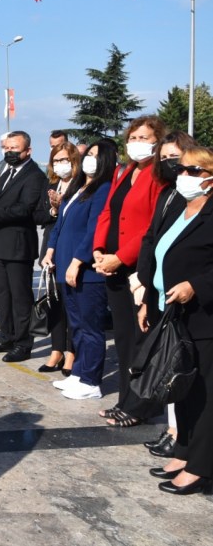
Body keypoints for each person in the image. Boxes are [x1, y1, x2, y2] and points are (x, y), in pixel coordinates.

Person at [137, 146, 213, 495]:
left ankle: (200, 467)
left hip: (203, 318)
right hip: (171, 312)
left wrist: (196, 286)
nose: (184, 175)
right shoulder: (179, 208)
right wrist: (147, 301)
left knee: (205, 395)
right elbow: (157, 253)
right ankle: (183, 452)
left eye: (194, 171)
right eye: (182, 169)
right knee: (182, 387)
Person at [92, 116, 167, 427]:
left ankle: (140, 406)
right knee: (123, 338)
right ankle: (125, 399)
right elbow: (108, 211)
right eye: (133, 137)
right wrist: (98, 248)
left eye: (144, 137)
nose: (137, 143)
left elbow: (152, 225)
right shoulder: (125, 171)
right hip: (112, 266)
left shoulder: (158, 175)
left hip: (137, 267)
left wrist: (121, 257)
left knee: (140, 338)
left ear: (157, 141)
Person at [135, 131, 198, 456]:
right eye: (164, 158)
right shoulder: (168, 194)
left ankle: (179, 434)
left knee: (179, 365)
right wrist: (145, 286)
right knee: (166, 363)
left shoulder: (194, 199)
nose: (171, 164)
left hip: (182, 296)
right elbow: (152, 238)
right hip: (158, 291)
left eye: (176, 157)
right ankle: (173, 428)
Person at [47, 139, 117, 400]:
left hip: (86, 270)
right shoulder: (78, 187)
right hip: (65, 264)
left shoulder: (103, 189)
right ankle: (78, 373)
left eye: (96, 155)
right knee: (76, 325)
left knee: (90, 327)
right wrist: (51, 250)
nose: (90, 158)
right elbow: (61, 223)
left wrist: (78, 261)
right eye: (89, 153)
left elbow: (94, 230)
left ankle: (91, 380)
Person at [0, 130, 48, 362]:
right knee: (4, 296)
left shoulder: (34, 176)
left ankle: (23, 344)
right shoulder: (8, 172)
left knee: (20, 298)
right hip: (0, 243)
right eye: (6, 148)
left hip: (18, 246)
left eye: (14, 148)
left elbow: (24, 209)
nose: (9, 152)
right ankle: (7, 336)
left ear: (28, 150)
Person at [35, 143, 84, 374]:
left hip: (71, 247)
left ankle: (71, 352)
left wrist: (63, 205)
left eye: (65, 160)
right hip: (50, 244)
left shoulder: (81, 185)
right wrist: (53, 210)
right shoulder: (51, 184)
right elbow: (38, 214)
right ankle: (56, 350)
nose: (60, 164)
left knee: (70, 302)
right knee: (54, 300)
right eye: (56, 160)